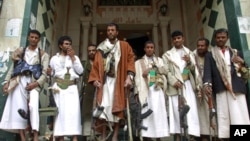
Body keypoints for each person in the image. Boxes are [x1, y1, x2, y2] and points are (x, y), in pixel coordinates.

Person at [88, 23, 135, 141]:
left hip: (119, 82)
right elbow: (96, 65)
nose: (110, 32)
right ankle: (103, 135)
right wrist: (94, 80)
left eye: (112, 30)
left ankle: (114, 137)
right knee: (103, 108)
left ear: (117, 32)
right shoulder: (101, 48)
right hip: (105, 83)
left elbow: (130, 60)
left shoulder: (124, 46)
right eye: (108, 30)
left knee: (117, 109)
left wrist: (129, 77)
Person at [0, 29, 49, 141]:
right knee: (18, 107)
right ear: (28, 38)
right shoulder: (21, 51)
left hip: (33, 82)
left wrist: (36, 83)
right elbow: (13, 68)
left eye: (36, 38)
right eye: (32, 37)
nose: (33, 39)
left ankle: (35, 135)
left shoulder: (43, 54)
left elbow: (45, 73)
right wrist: (7, 82)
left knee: (33, 106)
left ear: (39, 40)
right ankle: (22, 137)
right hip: (19, 81)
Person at [203, 28, 250, 140]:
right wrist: (207, 84)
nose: (220, 39)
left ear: (227, 38)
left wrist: (242, 62)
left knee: (239, 114)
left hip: (236, 88)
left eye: (223, 37)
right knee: (225, 115)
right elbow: (208, 72)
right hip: (221, 88)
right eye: (218, 37)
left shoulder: (235, 52)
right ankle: (227, 137)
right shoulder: (210, 55)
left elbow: (245, 69)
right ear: (215, 39)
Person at [162, 30, 200, 141]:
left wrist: (189, 62)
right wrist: (174, 81)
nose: (177, 40)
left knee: (190, 111)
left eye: (179, 38)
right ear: (172, 41)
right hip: (175, 87)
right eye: (174, 39)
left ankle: (191, 136)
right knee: (176, 111)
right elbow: (166, 71)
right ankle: (178, 137)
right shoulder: (167, 55)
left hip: (187, 85)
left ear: (183, 39)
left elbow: (194, 71)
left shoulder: (190, 53)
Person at [48, 36, 83, 141]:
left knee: (74, 113)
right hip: (59, 88)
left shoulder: (75, 58)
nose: (68, 46)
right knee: (60, 114)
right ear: (60, 45)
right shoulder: (54, 59)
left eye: (69, 44)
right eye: (66, 44)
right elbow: (53, 73)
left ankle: (74, 137)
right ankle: (61, 137)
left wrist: (73, 58)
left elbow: (80, 71)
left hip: (71, 88)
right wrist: (50, 73)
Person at [134, 40, 169, 141]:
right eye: (147, 47)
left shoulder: (159, 60)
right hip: (145, 92)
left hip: (157, 91)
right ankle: (147, 137)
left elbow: (165, 71)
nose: (149, 49)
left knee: (158, 114)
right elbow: (136, 79)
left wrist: (152, 69)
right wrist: (136, 92)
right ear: (144, 49)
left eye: (151, 47)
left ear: (154, 49)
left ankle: (158, 137)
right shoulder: (138, 63)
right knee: (146, 114)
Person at [193, 37, 217, 141]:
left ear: (207, 47)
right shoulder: (192, 56)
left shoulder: (212, 56)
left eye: (202, 46)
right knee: (201, 113)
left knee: (213, 111)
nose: (200, 47)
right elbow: (186, 72)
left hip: (211, 89)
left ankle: (215, 134)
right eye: (198, 46)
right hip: (198, 89)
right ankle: (204, 135)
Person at [81, 44, 97, 141]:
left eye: (93, 50)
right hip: (88, 91)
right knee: (86, 114)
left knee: (98, 114)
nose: (91, 52)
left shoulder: (101, 63)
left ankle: (97, 135)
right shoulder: (84, 64)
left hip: (99, 91)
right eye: (89, 50)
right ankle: (86, 135)